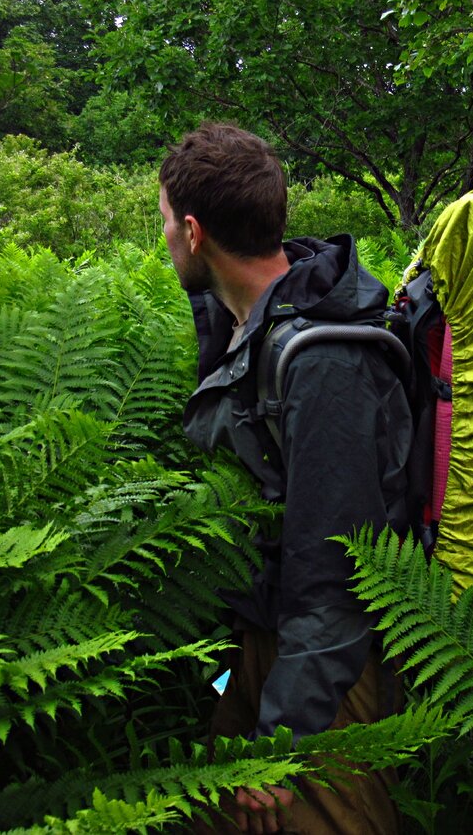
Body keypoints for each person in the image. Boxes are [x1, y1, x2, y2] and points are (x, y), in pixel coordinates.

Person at [159, 122, 410, 834]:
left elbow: (336, 578)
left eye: (166, 223)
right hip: (255, 645)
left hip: (328, 679)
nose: (166, 239)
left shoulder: (325, 364)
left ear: (196, 230)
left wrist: (283, 740)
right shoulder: (246, 325)